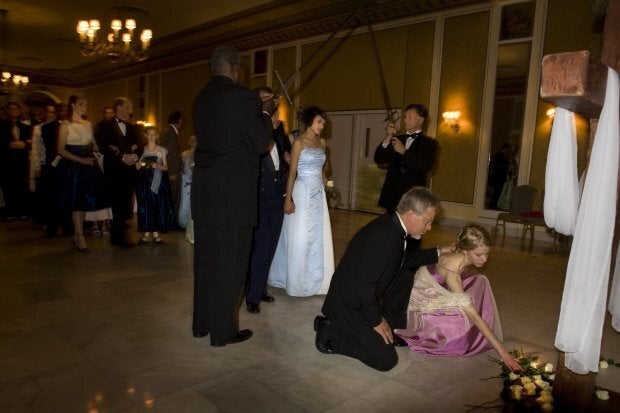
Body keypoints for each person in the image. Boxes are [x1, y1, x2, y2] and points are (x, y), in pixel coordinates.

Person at [315, 187, 449, 371]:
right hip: (349, 304)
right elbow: (364, 287)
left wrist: (440, 252)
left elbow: (403, 260)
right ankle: (329, 331)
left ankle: (390, 325)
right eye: (427, 221)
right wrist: (376, 320)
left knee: (404, 275)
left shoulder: (393, 226)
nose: (429, 227)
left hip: (362, 296)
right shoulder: (385, 237)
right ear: (411, 214)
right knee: (386, 361)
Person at [191, 45, 273, 346]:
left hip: (205, 195)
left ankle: (201, 324)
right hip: (233, 199)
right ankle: (222, 332)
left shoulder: (201, 98)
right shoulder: (242, 97)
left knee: (206, 265)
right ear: (236, 67)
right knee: (232, 267)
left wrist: (254, 108)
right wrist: (264, 113)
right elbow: (261, 143)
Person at [395, 224, 522, 371]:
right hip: (421, 302)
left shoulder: (460, 251)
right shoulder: (453, 270)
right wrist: (503, 352)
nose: (485, 259)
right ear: (466, 251)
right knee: (461, 321)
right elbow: (474, 316)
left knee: (480, 281)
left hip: (440, 288)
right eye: (479, 254)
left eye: (487, 254)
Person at [268, 106, 335, 297]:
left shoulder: (321, 143)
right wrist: (287, 200)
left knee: (317, 237)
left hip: (318, 193)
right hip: (302, 191)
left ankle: (317, 279)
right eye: (319, 122)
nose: (322, 126)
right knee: (300, 236)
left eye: (323, 122)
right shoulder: (299, 142)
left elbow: (325, 172)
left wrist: (327, 181)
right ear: (310, 122)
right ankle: (296, 280)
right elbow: (291, 174)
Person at [246, 87, 289, 314]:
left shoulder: (280, 140)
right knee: (261, 249)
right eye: (274, 115)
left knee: (271, 248)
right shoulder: (256, 141)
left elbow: (283, 168)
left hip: (277, 201)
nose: (279, 119)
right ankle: (252, 296)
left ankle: (261, 289)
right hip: (261, 202)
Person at [56, 95, 106, 252]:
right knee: (76, 202)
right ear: (73, 105)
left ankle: (78, 235)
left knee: (83, 202)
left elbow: (95, 145)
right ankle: (80, 235)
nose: (84, 107)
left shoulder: (88, 124)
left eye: (86, 104)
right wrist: (80, 160)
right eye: (81, 104)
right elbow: (60, 150)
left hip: (88, 166)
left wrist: (106, 148)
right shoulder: (65, 125)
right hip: (73, 167)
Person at [95, 97, 142, 248]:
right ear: (119, 107)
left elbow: (140, 146)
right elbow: (103, 146)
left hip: (129, 171)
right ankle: (118, 235)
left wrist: (134, 156)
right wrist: (122, 157)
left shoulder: (133, 127)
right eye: (128, 107)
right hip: (114, 170)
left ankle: (119, 234)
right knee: (117, 202)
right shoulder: (105, 126)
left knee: (127, 202)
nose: (131, 110)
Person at [374, 103, 438, 214]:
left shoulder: (430, 143)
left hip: (413, 197)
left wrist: (404, 152)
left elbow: (425, 166)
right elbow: (379, 159)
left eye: (410, 117)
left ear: (420, 120)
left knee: (411, 231)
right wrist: (388, 137)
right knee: (391, 229)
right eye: (405, 117)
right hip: (392, 195)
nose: (405, 120)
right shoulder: (396, 139)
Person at [135, 126, 176, 244]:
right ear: (146, 135)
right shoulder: (142, 149)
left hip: (157, 182)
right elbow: (138, 166)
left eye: (153, 134)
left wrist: (156, 166)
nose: (151, 136)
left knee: (156, 206)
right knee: (146, 206)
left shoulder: (162, 150)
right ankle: (147, 233)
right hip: (144, 182)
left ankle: (156, 233)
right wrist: (138, 164)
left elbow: (166, 167)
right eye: (149, 134)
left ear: (157, 136)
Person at [0, 102, 32, 220]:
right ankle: (10, 212)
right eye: (11, 109)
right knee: (8, 186)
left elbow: (31, 142)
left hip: (22, 162)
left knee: (22, 186)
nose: (14, 111)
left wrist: (24, 144)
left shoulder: (25, 127)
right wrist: (9, 145)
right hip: (6, 162)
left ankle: (23, 211)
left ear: (19, 111)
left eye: (16, 109)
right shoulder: (1, 126)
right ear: (7, 111)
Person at [160, 110, 184, 226]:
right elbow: (167, 152)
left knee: (174, 196)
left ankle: (172, 220)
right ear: (179, 120)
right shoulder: (169, 132)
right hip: (172, 170)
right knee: (173, 196)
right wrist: (171, 171)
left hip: (174, 169)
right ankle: (171, 221)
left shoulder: (171, 131)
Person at [178, 134, 196, 231]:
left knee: (191, 201)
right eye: (190, 139)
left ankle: (191, 224)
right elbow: (181, 167)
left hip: (193, 179)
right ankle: (183, 222)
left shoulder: (198, 153)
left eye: (194, 140)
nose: (191, 141)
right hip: (185, 179)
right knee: (184, 201)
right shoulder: (184, 153)